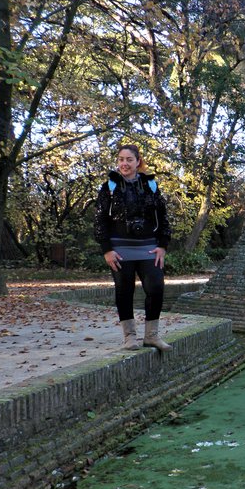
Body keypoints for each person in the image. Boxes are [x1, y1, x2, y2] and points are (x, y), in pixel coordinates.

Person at [94, 144, 173, 351]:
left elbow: (163, 217)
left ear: (138, 162)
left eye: (129, 159)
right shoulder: (109, 187)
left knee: (156, 288)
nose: (124, 163)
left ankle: (152, 336)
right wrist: (106, 249)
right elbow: (100, 220)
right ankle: (130, 337)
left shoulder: (151, 186)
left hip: (149, 248)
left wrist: (162, 246)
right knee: (124, 291)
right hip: (119, 249)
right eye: (121, 159)